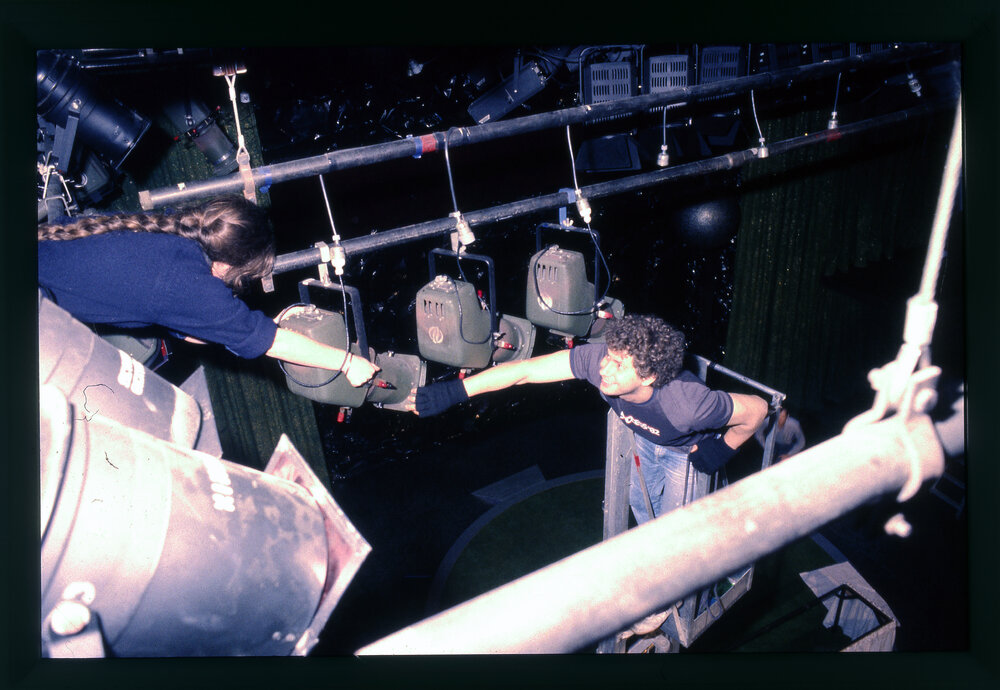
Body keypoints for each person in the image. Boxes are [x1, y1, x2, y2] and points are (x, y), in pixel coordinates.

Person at [411, 313, 768, 523]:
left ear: (648, 378)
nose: (603, 369)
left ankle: (698, 576)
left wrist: (723, 447)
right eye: (608, 356)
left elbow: (758, 408)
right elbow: (524, 372)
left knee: (680, 527)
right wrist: (455, 392)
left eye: (618, 365)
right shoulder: (599, 360)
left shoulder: (689, 404)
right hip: (646, 439)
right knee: (642, 506)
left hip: (684, 452)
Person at [37, 195, 378, 386]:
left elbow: (186, 322)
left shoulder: (175, 229)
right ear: (231, 266)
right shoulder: (190, 287)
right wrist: (347, 362)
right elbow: (272, 343)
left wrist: (231, 328)